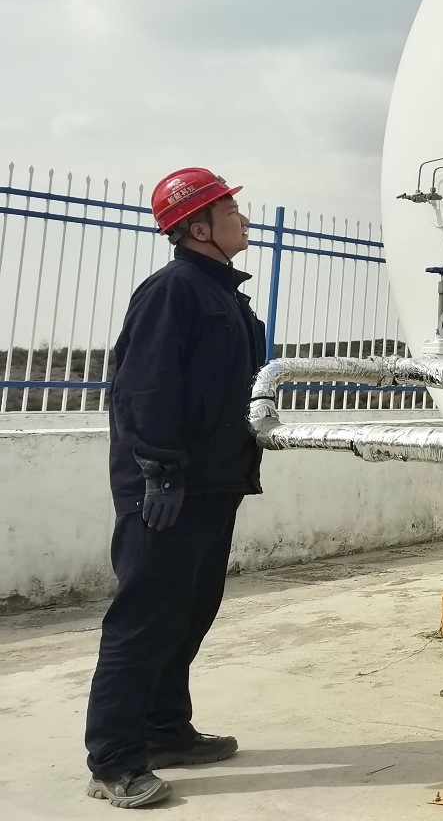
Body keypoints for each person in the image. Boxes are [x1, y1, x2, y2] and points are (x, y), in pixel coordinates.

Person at [84, 168, 265, 808]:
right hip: (166, 490)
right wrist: (159, 471)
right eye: (230, 210)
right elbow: (145, 388)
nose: (243, 219)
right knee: (144, 621)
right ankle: (114, 762)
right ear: (198, 227)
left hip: (214, 485)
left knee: (189, 612)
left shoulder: (224, 296)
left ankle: (165, 730)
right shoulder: (172, 292)